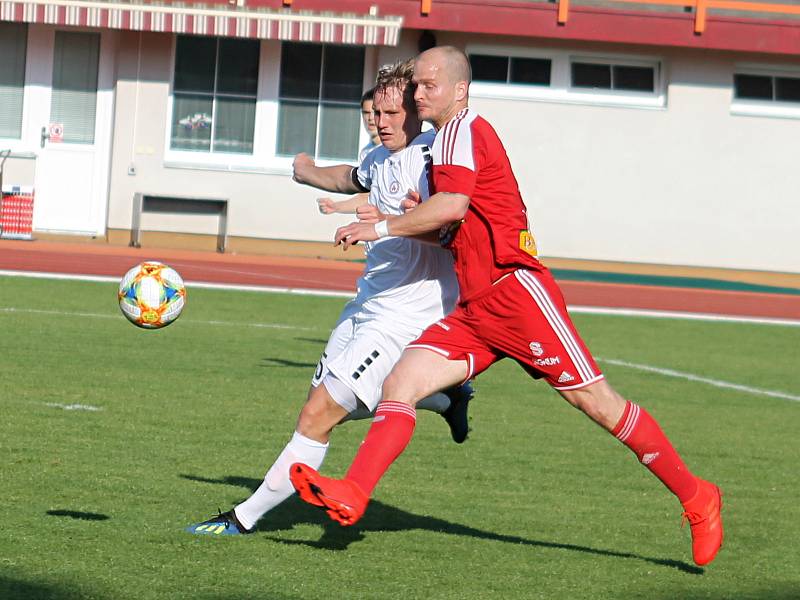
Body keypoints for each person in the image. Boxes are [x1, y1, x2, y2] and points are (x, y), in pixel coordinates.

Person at [289, 46, 724, 567]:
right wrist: (405, 213)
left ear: (459, 90)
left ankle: (698, 498)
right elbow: (446, 221)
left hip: (518, 295)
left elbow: (451, 206)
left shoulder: (463, 132)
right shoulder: (439, 147)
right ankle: (354, 492)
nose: (419, 93)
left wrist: (378, 226)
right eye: (417, 86)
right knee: (399, 385)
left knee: (598, 404)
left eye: (429, 85)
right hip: (474, 306)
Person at [187, 59, 473, 536]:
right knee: (326, 406)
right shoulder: (380, 154)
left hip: (406, 318)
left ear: (416, 112)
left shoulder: (432, 158)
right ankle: (445, 398)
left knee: (318, 412)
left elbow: (451, 221)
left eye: (388, 114)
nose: (378, 123)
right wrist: (307, 171)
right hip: (365, 307)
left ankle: (243, 517)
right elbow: (353, 177)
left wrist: (384, 222)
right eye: (374, 114)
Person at [317, 88, 382, 216]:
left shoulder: (393, 149)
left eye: (374, 112)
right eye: (365, 113)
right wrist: (336, 207)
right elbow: (367, 197)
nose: (370, 118)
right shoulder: (366, 152)